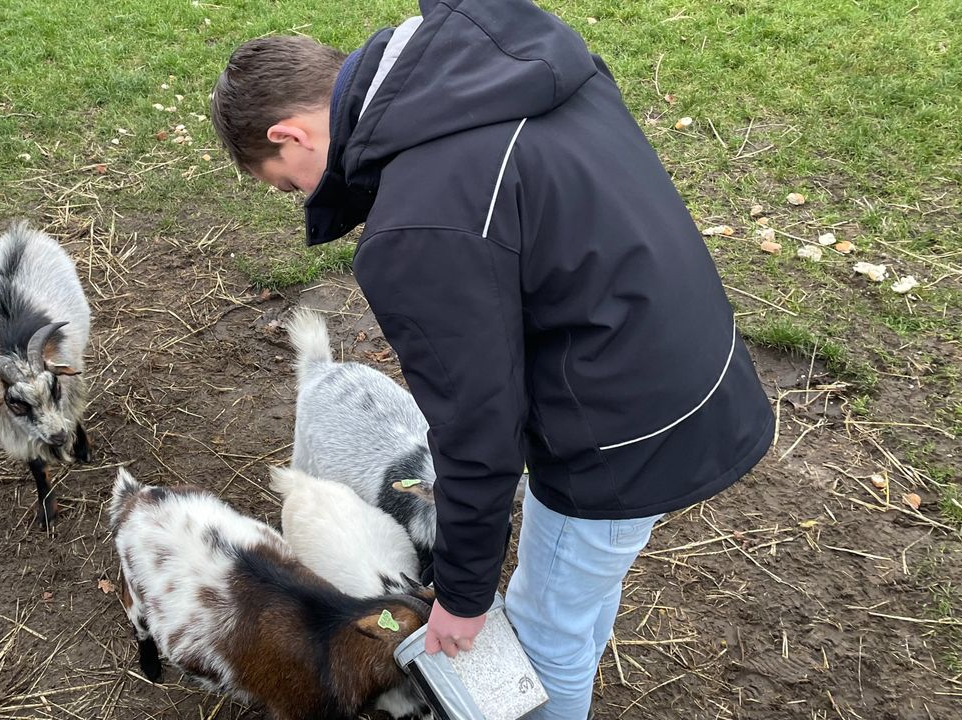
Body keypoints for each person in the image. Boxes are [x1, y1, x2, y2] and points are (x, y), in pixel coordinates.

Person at [209, 1, 774, 717]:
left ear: (289, 133)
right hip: (689, 366)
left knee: (543, 636)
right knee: (576, 598)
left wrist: (465, 598)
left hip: (619, 433)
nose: (307, 198)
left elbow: (477, 431)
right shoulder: (497, 59)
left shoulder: (419, 226)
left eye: (290, 183)